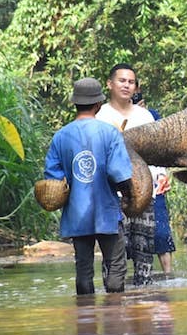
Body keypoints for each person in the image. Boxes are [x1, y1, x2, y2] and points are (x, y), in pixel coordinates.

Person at [43, 77, 134, 295]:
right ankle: (114, 316)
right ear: (98, 105)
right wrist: (129, 196)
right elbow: (118, 173)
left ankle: (85, 320)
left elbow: (52, 180)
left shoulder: (60, 136)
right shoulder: (110, 133)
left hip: (77, 214)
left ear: (75, 103)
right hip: (107, 213)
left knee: (83, 270)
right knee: (115, 267)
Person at [95, 63, 171, 285]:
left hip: (144, 191)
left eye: (131, 82)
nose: (127, 85)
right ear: (110, 84)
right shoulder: (100, 116)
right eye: (122, 81)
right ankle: (113, 302)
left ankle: (143, 303)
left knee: (144, 249)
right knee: (114, 250)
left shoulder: (145, 116)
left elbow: (156, 151)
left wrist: (160, 176)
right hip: (111, 195)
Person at [134, 89, 176, 276]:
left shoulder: (152, 117)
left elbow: (163, 149)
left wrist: (162, 174)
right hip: (128, 185)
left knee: (160, 231)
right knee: (133, 234)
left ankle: (168, 274)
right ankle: (141, 274)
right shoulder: (113, 117)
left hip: (153, 180)